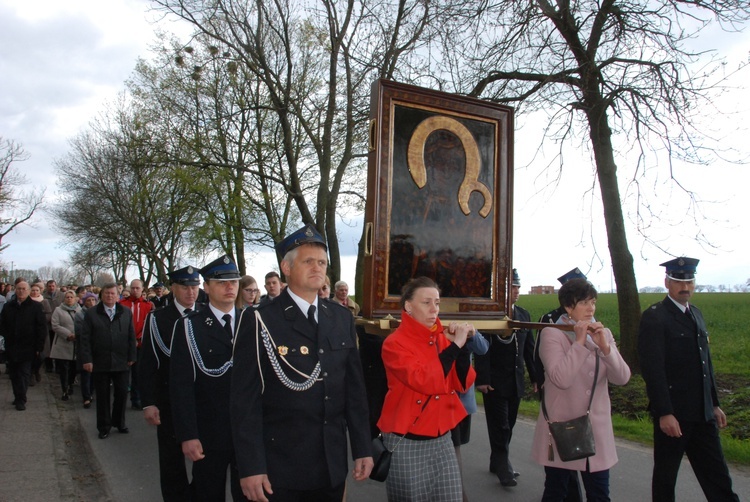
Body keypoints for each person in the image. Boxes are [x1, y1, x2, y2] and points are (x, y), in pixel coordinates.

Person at [231, 223, 372, 502]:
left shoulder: (340, 318)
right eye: (308, 261)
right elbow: (244, 401)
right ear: (286, 268)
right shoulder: (261, 320)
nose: (317, 268)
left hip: (330, 463)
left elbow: (354, 393)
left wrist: (362, 447)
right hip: (280, 466)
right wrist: (251, 466)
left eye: (322, 262)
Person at [638, 257, 739, 502]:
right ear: (667, 283)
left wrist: (714, 403)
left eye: (690, 281)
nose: (685, 286)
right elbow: (653, 369)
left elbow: (705, 364)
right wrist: (664, 412)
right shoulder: (656, 317)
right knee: (665, 478)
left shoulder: (696, 314)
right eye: (678, 281)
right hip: (675, 414)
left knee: (718, 477)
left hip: (703, 414)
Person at [376, 276, 476, 501]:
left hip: (442, 439)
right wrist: (455, 346)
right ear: (408, 307)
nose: (434, 309)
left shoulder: (442, 338)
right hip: (408, 440)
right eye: (427, 302)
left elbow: (460, 382)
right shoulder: (394, 343)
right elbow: (425, 381)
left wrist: (462, 348)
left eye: (437, 302)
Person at [531, 278, 630, 501]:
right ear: (568, 306)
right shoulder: (551, 334)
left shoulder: (603, 333)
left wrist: (605, 348)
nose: (591, 308)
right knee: (558, 492)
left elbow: (622, 377)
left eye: (593, 302)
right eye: (584, 303)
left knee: (599, 494)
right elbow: (561, 378)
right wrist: (579, 342)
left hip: (596, 429)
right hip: (563, 429)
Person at [170, 255, 243, 501]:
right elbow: (181, 386)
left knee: (251, 494)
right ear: (207, 287)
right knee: (207, 493)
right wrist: (188, 434)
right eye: (222, 282)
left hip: (248, 431)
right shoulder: (190, 326)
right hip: (209, 431)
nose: (230, 287)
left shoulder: (253, 321)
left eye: (234, 281)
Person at [140, 265, 202, 502]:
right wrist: (148, 402)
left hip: (200, 401)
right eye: (185, 287)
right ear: (173, 288)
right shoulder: (158, 319)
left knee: (204, 460)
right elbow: (147, 363)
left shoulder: (205, 316)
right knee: (171, 460)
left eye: (194, 287)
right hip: (168, 401)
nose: (190, 293)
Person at [476, 268, 537, 487]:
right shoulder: (489, 314)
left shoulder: (523, 315)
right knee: (499, 425)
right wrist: (482, 378)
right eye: (513, 287)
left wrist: (536, 377)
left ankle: (496, 461)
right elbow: (481, 349)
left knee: (509, 424)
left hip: (515, 381)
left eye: (518, 287)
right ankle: (504, 468)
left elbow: (529, 350)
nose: (517, 291)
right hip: (494, 380)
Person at [534, 267, 588, 501]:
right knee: (559, 476)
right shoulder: (551, 322)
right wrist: (538, 379)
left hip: (583, 401)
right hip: (560, 397)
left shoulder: (592, 323)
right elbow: (539, 354)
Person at [79, 282, 137, 439]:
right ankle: (104, 426)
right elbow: (85, 339)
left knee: (121, 394)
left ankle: (119, 422)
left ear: (117, 296)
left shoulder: (125, 312)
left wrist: (132, 356)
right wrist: (87, 359)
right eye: (107, 294)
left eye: (113, 293)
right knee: (103, 396)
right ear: (101, 296)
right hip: (100, 361)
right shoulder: (92, 313)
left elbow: (131, 336)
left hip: (121, 361)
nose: (110, 296)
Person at [452, 321, 489, 501]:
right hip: (442, 397)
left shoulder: (465, 322)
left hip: (462, 398)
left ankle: (456, 490)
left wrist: (472, 333)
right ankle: (458, 492)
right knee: (452, 447)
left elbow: (483, 348)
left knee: (455, 446)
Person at [0, 281, 47, 410]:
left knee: (24, 373)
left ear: (28, 290)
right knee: (14, 374)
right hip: (12, 346)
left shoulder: (36, 307)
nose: (21, 291)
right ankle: (17, 396)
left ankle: (22, 398)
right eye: (19, 289)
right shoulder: (8, 306)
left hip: (28, 347)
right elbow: (2, 324)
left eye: (24, 289)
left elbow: (41, 328)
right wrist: (7, 335)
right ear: (15, 290)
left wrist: (39, 347)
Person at [120, 279, 153, 410]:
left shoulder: (148, 305)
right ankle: (121, 399)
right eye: (132, 288)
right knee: (123, 374)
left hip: (140, 344)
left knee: (138, 373)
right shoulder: (122, 304)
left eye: (137, 288)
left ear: (142, 289)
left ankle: (136, 398)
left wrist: (139, 338)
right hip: (124, 344)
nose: (135, 291)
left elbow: (148, 324)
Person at [50, 290, 80, 401]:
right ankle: (64, 390)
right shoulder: (58, 310)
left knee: (73, 368)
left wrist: (78, 334)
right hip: (63, 343)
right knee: (64, 369)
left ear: (75, 298)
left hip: (75, 344)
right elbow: (55, 325)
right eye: (67, 297)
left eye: (71, 297)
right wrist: (68, 334)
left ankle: (70, 384)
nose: (69, 298)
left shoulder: (79, 310)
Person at [75, 292, 98, 408]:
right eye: (88, 300)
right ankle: (86, 396)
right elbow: (80, 332)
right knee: (86, 373)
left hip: (97, 346)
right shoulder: (79, 314)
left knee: (94, 372)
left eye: (93, 300)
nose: (91, 302)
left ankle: (91, 392)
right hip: (84, 345)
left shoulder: (99, 313)